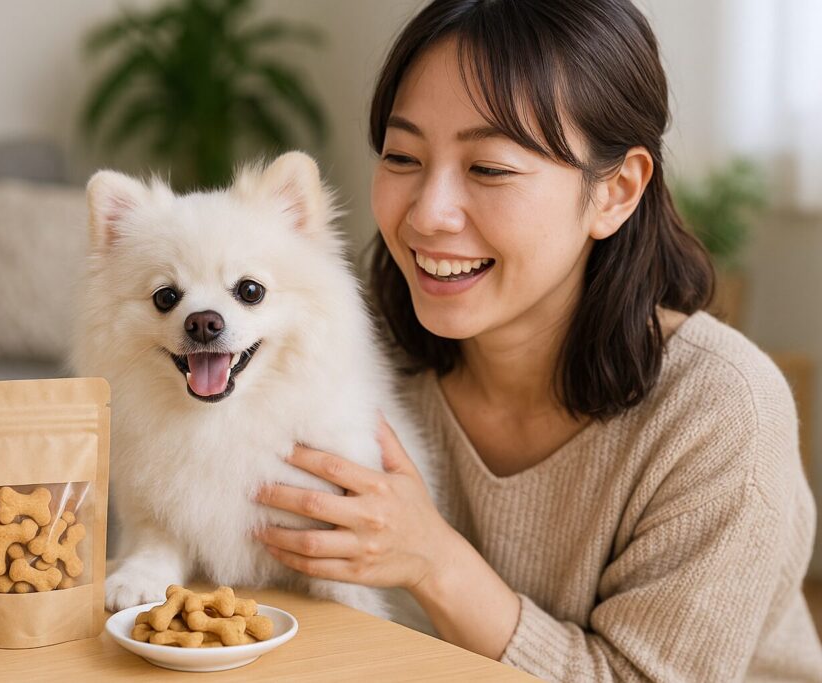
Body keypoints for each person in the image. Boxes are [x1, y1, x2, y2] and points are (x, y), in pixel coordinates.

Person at [253, 0, 822, 680]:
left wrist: (434, 559)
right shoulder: (349, 359)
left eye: (488, 168)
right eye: (402, 156)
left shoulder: (721, 411)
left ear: (616, 191)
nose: (428, 214)